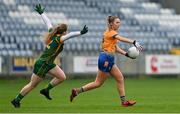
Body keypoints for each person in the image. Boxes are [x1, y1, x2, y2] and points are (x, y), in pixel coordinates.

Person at [11, 4, 88, 108]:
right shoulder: (59, 39)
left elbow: (47, 22)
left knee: (62, 77)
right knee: (32, 85)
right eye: (66, 31)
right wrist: (80, 32)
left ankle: (46, 90)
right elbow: (70, 36)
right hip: (43, 64)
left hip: (48, 63)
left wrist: (42, 13)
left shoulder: (53, 33)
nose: (67, 33)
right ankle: (16, 100)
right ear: (64, 32)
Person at [70, 16, 143, 107]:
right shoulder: (111, 32)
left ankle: (124, 102)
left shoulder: (111, 33)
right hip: (106, 59)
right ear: (111, 24)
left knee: (120, 78)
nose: (119, 24)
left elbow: (115, 48)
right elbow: (121, 38)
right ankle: (77, 91)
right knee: (98, 83)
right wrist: (134, 42)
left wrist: (126, 54)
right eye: (117, 22)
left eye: (119, 22)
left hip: (109, 59)